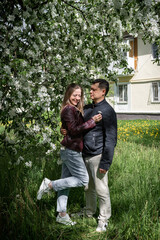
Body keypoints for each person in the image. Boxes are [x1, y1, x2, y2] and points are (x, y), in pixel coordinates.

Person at [37, 83, 102, 226]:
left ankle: (62, 215)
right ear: (68, 95)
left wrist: (63, 128)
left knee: (65, 184)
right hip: (72, 151)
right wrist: (92, 121)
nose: (77, 98)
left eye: (79, 95)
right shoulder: (68, 110)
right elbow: (74, 130)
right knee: (83, 180)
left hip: (69, 150)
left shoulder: (73, 109)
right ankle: (49, 185)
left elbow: (69, 128)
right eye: (74, 95)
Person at [62, 79, 117, 232]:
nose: (90, 92)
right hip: (83, 154)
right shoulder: (86, 108)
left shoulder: (107, 111)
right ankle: (88, 212)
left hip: (98, 156)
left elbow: (111, 139)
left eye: (93, 90)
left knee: (101, 189)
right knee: (88, 187)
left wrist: (106, 162)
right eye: (90, 89)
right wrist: (64, 129)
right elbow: (74, 126)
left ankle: (103, 219)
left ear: (103, 92)